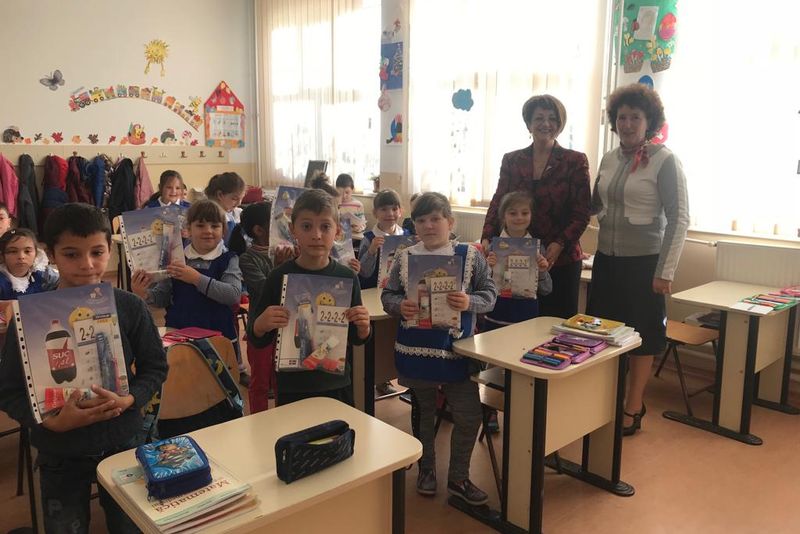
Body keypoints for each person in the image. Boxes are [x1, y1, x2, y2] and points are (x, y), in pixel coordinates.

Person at [0, 203, 168, 533]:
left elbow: (156, 367)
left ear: (110, 251)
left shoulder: (130, 306)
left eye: (97, 252)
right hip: (60, 451)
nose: (87, 264)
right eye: (71, 254)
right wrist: (50, 422)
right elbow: (8, 392)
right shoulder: (29, 316)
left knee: (131, 526)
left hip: (123, 440)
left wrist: (130, 399)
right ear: (50, 254)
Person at [381, 192, 497, 506]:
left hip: (457, 352)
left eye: (435, 219)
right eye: (421, 220)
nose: (429, 226)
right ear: (414, 225)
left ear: (450, 221)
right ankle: (426, 469)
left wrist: (469, 301)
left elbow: (490, 294)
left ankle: (458, 477)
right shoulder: (405, 256)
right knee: (424, 413)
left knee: (469, 416)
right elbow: (388, 295)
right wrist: (399, 306)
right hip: (416, 350)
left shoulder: (469, 255)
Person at [588, 83, 689, 435]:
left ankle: (633, 406)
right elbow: (595, 205)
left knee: (641, 336)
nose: (627, 124)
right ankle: (606, 402)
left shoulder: (665, 160)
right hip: (607, 260)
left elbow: (679, 219)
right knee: (605, 333)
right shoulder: (609, 158)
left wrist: (665, 271)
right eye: (621, 117)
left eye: (635, 117)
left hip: (645, 263)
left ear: (650, 122)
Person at [248, 189, 371, 406]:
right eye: (306, 226)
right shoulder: (278, 277)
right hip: (292, 386)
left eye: (325, 227)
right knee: (295, 429)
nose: (316, 235)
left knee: (337, 428)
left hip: (336, 383)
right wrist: (261, 324)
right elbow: (258, 337)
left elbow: (355, 338)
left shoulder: (347, 277)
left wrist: (364, 328)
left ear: (338, 231)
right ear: (292, 230)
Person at [481, 94, 591, 319]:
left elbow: (582, 212)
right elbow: (498, 201)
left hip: (561, 258)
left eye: (552, 118)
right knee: (515, 324)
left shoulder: (574, 160)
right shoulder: (512, 160)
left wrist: (559, 244)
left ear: (560, 124)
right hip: (515, 256)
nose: (545, 123)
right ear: (528, 123)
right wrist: (486, 237)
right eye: (539, 118)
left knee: (556, 327)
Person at [132, 200, 243, 376]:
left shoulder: (229, 259)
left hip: (217, 335)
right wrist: (144, 294)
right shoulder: (176, 259)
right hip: (180, 333)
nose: (208, 231)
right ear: (188, 230)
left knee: (218, 384)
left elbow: (233, 295)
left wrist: (196, 279)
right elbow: (163, 296)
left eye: (215, 226)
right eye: (200, 225)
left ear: (223, 230)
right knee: (184, 381)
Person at [357, 188, 409, 396]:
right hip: (372, 294)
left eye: (394, 209)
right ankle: (374, 377)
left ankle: (387, 375)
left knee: (392, 332)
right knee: (377, 335)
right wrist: (371, 251)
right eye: (384, 209)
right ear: (375, 213)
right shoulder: (369, 238)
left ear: (401, 211)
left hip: (396, 294)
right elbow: (363, 271)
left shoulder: (406, 236)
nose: (390, 213)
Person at [229, 202, 276, 413]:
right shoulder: (248, 258)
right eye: (276, 221)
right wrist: (281, 264)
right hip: (260, 329)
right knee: (260, 382)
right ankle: (259, 421)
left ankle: (286, 420)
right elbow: (268, 290)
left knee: (282, 379)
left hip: (287, 326)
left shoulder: (291, 251)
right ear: (259, 230)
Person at [484, 191, 552, 330]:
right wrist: (488, 268)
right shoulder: (493, 247)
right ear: (503, 216)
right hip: (497, 313)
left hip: (526, 314)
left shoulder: (538, 249)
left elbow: (547, 290)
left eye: (525, 213)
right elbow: (482, 286)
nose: (519, 217)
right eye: (513, 213)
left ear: (531, 215)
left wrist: (542, 271)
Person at [0, 228, 59, 317]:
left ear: (36, 253)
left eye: (27, 251)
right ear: (2, 256)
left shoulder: (43, 274)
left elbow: (61, 284)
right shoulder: (2, 279)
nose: (21, 256)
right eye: (13, 251)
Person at [204, 172, 246, 246]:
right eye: (234, 199)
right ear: (220, 195)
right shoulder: (210, 216)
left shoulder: (230, 214)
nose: (239, 203)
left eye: (241, 198)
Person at [335, 173, 367, 251]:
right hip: (337, 237)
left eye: (347, 192)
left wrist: (359, 228)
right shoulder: (334, 203)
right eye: (340, 193)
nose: (344, 196)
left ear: (352, 190)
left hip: (353, 238)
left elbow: (362, 222)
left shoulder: (358, 205)